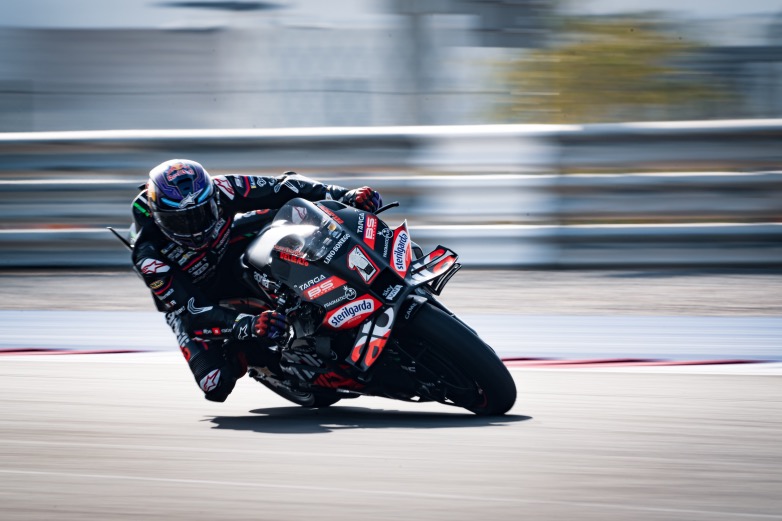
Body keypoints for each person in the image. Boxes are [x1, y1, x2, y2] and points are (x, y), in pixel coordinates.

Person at [130, 159, 382, 402]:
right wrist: (249, 326)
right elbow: (192, 312)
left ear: (213, 199)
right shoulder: (149, 256)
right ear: (158, 217)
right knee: (214, 383)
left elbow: (283, 186)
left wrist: (345, 195)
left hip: (230, 248)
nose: (195, 228)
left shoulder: (224, 187)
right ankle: (259, 358)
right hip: (194, 297)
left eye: (202, 213)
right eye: (180, 221)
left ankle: (347, 275)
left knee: (297, 211)